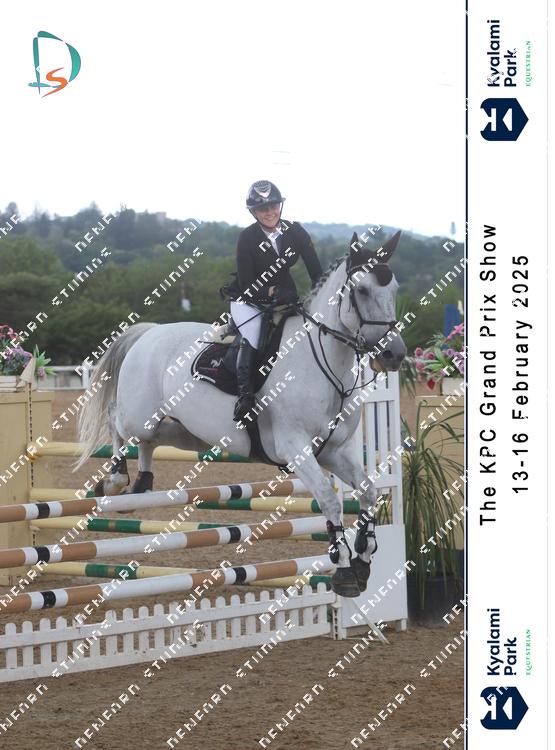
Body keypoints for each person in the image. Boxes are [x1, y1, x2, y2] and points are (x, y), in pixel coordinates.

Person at [231, 180, 323, 421]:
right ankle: (245, 396)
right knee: (253, 335)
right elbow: (247, 286)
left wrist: (323, 297)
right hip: (249, 301)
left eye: (274, 206)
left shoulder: (295, 231)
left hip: (286, 298)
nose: (270, 212)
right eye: (263, 209)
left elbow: (316, 272)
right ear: (253, 212)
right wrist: (271, 291)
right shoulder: (247, 238)